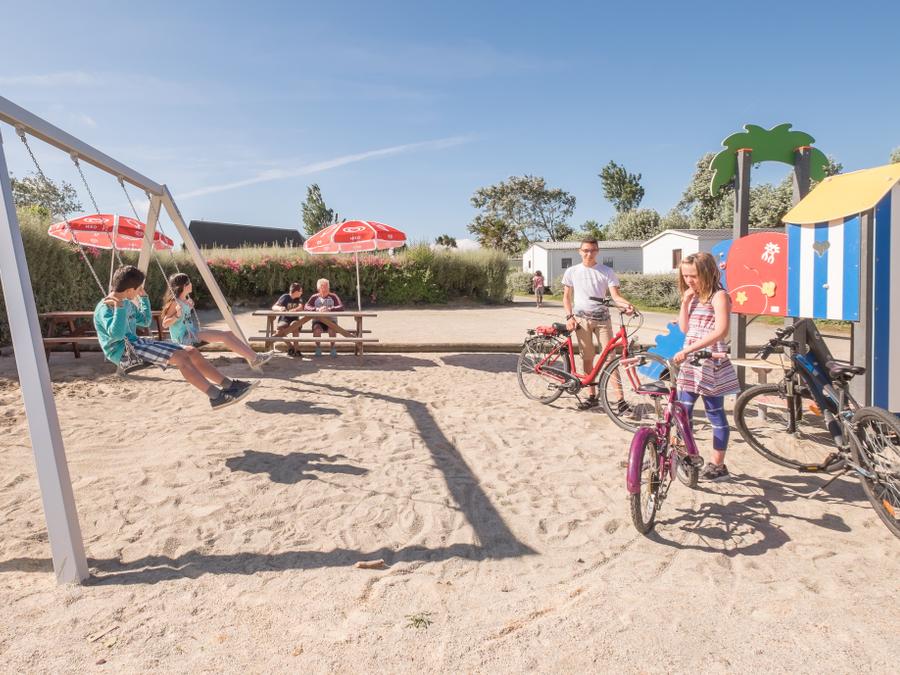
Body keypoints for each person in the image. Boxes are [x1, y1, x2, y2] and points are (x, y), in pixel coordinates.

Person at [93, 266, 254, 410]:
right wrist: (119, 308)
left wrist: (144, 299)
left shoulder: (127, 303)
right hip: (123, 352)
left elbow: (146, 321)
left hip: (136, 344)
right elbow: (116, 335)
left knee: (191, 351)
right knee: (180, 357)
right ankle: (216, 396)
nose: (138, 292)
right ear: (129, 290)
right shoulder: (105, 307)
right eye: (137, 289)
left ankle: (229, 385)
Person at [673, 252, 740, 482]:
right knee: (684, 412)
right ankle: (688, 457)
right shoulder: (694, 297)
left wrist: (689, 350)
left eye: (693, 275)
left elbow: (721, 331)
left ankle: (718, 465)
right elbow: (685, 329)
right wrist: (685, 302)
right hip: (691, 363)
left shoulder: (719, 296)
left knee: (715, 413)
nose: (689, 280)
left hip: (710, 361)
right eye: (685, 276)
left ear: (708, 272)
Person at [562, 238, 634, 411]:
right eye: (586, 250)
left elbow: (615, 296)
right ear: (580, 251)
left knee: (610, 359)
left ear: (597, 251)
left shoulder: (606, 271)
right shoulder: (572, 271)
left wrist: (627, 306)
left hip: (603, 320)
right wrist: (569, 317)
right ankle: (592, 396)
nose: (589, 253)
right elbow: (566, 297)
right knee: (587, 358)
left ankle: (620, 400)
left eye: (593, 250)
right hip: (581, 320)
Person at [160, 273, 274, 372]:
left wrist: (188, 307)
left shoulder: (185, 301)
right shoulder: (175, 303)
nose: (191, 284)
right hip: (184, 339)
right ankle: (255, 358)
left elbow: (185, 318)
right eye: (189, 282)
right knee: (224, 337)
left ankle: (253, 357)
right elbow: (165, 324)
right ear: (184, 286)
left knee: (229, 334)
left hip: (192, 333)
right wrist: (177, 315)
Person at [304, 278, 350, 357]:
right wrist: (317, 309)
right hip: (318, 321)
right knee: (317, 330)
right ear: (318, 289)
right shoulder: (314, 297)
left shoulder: (333, 296)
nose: (325, 289)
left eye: (327, 287)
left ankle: (333, 348)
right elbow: (306, 307)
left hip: (331, 320)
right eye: (323, 287)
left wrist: (330, 309)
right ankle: (318, 348)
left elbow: (341, 307)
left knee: (332, 329)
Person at [271, 282, 309, 357]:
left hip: (295, 319)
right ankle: (291, 347)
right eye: (301, 291)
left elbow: (301, 307)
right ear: (296, 292)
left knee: (295, 325)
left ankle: (297, 349)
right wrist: (280, 308)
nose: (302, 293)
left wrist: (294, 310)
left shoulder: (299, 298)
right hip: (284, 319)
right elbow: (274, 307)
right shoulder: (285, 297)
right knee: (279, 329)